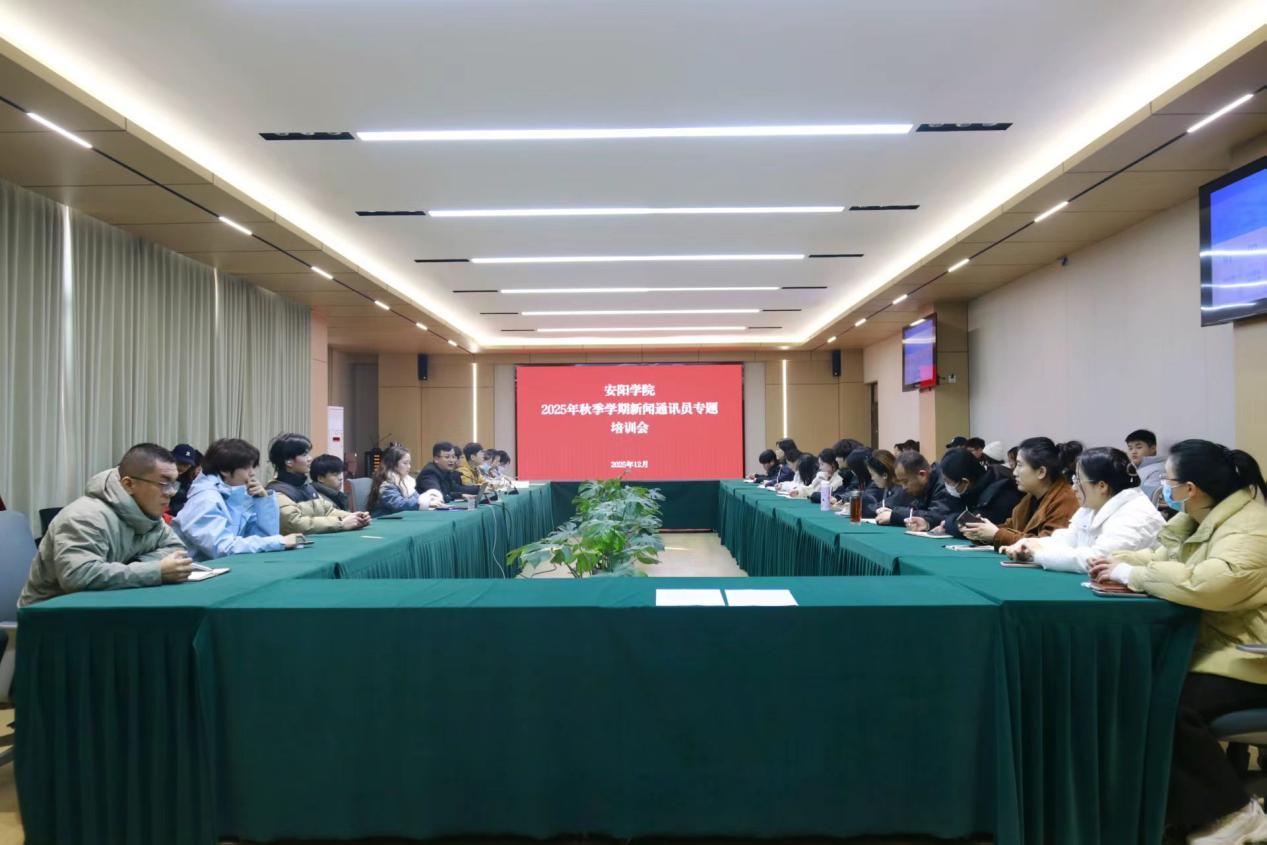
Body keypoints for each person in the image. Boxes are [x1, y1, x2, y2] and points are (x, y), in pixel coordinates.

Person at [1088, 441, 1267, 843]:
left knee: (1164, 700)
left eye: (1167, 481)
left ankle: (1235, 813)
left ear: (1191, 488)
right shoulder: (1199, 517)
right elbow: (1167, 558)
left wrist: (1132, 575)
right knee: (1130, 683)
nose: (1162, 488)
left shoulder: (1251, 528)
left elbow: (1211, 584)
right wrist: (1120, 562)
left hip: (1253, 656)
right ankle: (1171, 808)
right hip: (1220, 645)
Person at [18, 443, 194, 606]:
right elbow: (78, 577)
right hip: (54, 617)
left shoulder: (148, 512)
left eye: (174, 483)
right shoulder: (85, 517)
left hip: (106, 607)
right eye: (164, 484)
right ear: (129, 484)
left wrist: (136, 566)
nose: (171, 493)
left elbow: (176, 549)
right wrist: (155, 571)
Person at [1002, 447, 1163, 572]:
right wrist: (1030, 544)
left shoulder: (1134, 515)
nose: (1073, 487)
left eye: (1078, 480)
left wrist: (1037, 554)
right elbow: (1069, 538)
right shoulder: (1094, 504)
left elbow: (1096, 560)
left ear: (1101, 486)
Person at [173, 438, 304, 560]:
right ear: (225, 470)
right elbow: (222, 548)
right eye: (247, 467)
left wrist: (263, 501)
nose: (252, 473)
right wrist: (278, 542)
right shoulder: (205, 499)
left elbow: (262, 538)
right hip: (196, 571)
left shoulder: (239, 494)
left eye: (253, 467)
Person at [960, 437, 1081, 549]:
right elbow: (1010, 528)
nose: (1014, 472)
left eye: (1019, 465)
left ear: (1041, 472)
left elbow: (1046, 545)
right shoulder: (1029, 498)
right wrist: (981, 531)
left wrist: (996, 534)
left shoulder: (1066, 500)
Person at [265, 434, 371, 535]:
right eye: (304, 455)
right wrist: (341, 523)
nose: (310, 458)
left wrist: (355, 517)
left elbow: (328, 511)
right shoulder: (276, 492)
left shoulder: (306, 487)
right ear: (288, 461)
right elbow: (295, 524)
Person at [905, 447, 1022, 538]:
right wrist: (928, 522)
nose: (946, 486)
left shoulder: (1001, 493)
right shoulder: (969, 491)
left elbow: (972, 525)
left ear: (965, 482)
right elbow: (951, 514)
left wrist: (947, 524)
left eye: (948, 482)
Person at [876, 451, 957, 527]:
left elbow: (938, 516)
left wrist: (895, 515)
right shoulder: (920, 486)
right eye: (901, 482)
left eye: (905, 481)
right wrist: (892, 511)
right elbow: (915, 509)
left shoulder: (944, 482)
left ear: (922, 475)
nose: (903, 487)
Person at [366, 445, 445, 515]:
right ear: (393, 464)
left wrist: (430, 499)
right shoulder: (386, 483)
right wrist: (426, 503)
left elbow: (416, 498)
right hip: (383, 521)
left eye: (409, 463)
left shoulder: (407, 481)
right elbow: (398, 504)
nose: (409, 466)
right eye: (405, 463)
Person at [864, 449, 907, 517]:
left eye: (872, 474)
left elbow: (869, 509)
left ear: (884, 475)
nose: (872, 478)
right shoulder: (888, 485)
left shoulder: (899, 489)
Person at [1126, 428, 1166, 499]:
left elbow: (1149, 497)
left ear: (1153, 448)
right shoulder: (1135, 468)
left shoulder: (1158, 470)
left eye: (1138, 447)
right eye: (1130, 448)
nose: (1133, 452)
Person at [168, 443, 202, 517]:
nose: (183, 467)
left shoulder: (187, 479)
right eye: (180, 463)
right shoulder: (163, 474)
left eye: (187, 465)